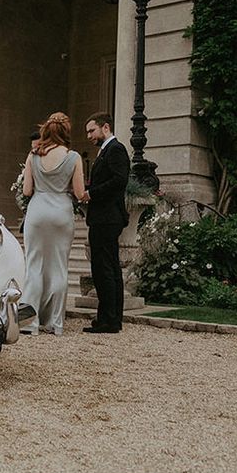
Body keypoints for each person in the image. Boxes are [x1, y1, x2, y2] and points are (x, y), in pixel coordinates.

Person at [21, 112, 86, 335]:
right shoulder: (74, 157)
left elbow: (26, 190)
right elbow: (79, 193)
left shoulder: (33, 156)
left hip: (38, 211)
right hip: (61, 212)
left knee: (34, 265)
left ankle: (30, 322)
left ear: (45, 131)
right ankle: (55, 323)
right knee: (58, 267)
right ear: (66, 132)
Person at [81, 112, 130, 334]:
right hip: (104, 217)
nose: (89, 136)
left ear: (106, 128)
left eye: (92, 130)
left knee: (104, 268)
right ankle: (109, 318)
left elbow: (119, 181)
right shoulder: (105, 151)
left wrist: (91, 193)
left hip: (107, 218)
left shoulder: (116, 149)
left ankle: (109, 320)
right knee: (106, 268)